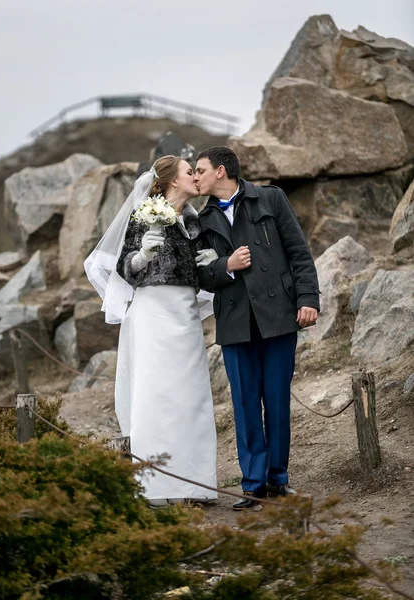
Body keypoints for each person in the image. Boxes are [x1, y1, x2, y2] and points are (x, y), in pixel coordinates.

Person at [85, 156, 218, 508]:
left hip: (185, 315)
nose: (195, 176)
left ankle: (196, 484)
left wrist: (210, 263)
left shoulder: (193, 221)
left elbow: (200, 268)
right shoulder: (143, 214)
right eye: (190, 172)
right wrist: (143, 255)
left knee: (191, 396)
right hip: (152, 313)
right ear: (173, 181)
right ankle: (154, 484)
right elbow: (125, 268)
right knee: (155, 393)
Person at [194, 146, 320, 510]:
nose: (196, 176)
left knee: (277, 402)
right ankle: (253, 485)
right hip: (235, 323)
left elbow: (299, 252)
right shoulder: (202, 221)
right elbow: (201, 275)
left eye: (200, 170)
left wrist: (307, 299)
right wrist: (226, 265)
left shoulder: (270, 198)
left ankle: (278, 480)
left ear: (221, 171)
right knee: (245, 404)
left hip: (278, 316)